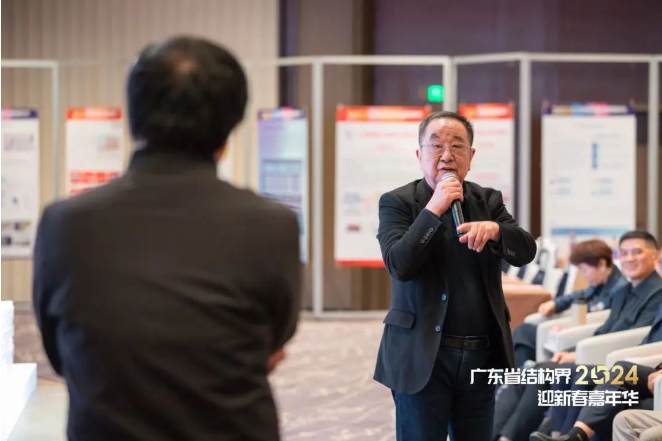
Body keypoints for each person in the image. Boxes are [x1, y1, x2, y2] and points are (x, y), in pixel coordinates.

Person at [32, 36, 302, 441]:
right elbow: (271, 345)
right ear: (231, 124)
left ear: (134, 116)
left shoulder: (65, 224)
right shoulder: (272, 225)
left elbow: (61, 355)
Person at [373, 110, 537, 440]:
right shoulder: (398, 203)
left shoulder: (488, 200)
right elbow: (399, 264)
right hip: (422, 354)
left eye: (457, 146)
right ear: (420, 155)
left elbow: (525, 250)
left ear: (471, 156)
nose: (447, 156)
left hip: (480, 354)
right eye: (436, 146)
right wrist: (434, 208)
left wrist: (496, 231)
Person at [494, 231, 662, 441]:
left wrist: (576, 355)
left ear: (655, 256)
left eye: (636, 252)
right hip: (622, 359)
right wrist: (571, 351)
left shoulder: (655, 293)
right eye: (624, 253)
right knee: (536, 370)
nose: (629, 259)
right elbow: (605, 329)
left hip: (628, 360)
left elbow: (636, 339)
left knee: (560, 372)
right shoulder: (623, 290)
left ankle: (546, 436)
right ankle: (510, 435)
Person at [512, 239, 626, 367]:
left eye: (584, 270)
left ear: (602, 264)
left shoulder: (619, 289)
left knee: (524, 333)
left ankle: (520, 374)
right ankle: (521, 372)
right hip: (576, 327)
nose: (584, 275)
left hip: (587, 334)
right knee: (524, 331)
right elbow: (579, 295)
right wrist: (556, 304)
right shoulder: (602, 281)